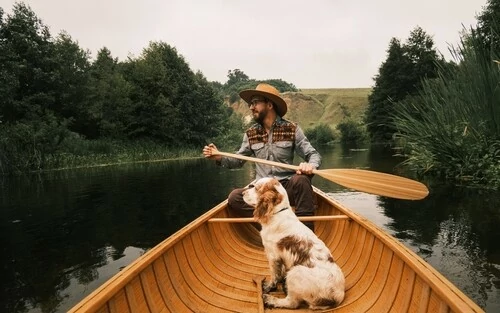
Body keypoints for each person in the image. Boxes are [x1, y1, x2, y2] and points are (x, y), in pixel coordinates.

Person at [202, 83, 321, 230]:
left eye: (255, 103)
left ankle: (306, 230)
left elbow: (313, 154)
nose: (251, 107)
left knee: (302, 180)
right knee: (234, 198)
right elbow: (238, 161)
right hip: (261, 191)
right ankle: (272, 224)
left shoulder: (292, 129)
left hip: (285, 189)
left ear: (269, 105)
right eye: (250, 104)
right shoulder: (251, 134)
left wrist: (310, 165)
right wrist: (219, 157)